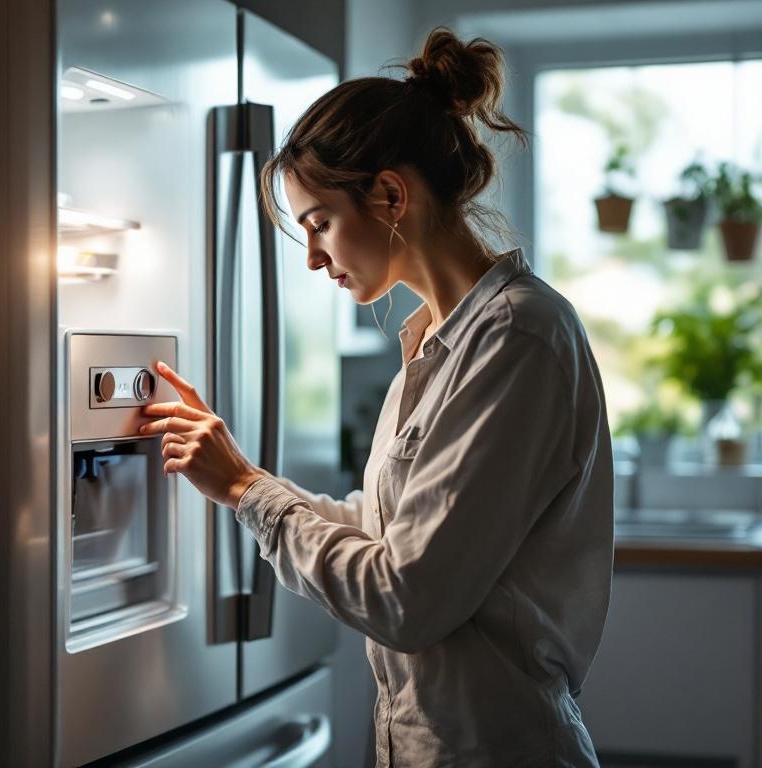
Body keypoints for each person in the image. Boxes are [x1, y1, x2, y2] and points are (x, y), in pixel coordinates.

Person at [139, 25, 614, 768]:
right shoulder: (434, 344)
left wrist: (247, 489)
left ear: (391, 194)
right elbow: (387, 533)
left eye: (319, 224)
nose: (315, 258)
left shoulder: (518, 336)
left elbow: (403, 599)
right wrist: (234, 478)